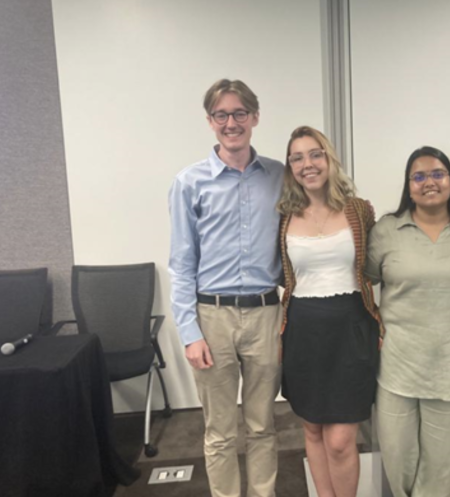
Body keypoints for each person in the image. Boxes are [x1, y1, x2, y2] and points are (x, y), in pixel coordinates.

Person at [168, 79, 284, 497]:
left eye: (239, 113)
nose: (231, 123)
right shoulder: (189, 182)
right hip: (211, 318)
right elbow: (182, 264)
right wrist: (189, 333)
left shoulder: (279, 176)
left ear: (255, 117)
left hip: (266, 314)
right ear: (210, 121)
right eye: (222, 115)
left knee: (262, 425)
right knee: (219, 431)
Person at [366, 146, 450, 497]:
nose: (428, 182)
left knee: (439, 467)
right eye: (418, 176)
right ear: (409, 186)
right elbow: (365, 281)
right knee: (398, 460)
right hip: (398, 365)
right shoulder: (387, 230)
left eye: (437, 174)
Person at [278, 126, 381, 497]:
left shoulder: (359, 210)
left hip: (351, 331)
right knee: (312, 429)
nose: (307, 164)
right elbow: (280, 273)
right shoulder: (284, 216)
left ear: (329, 158)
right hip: (303, 332)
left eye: (315, 154)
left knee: (340, 440)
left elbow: (378, 264)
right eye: (297, 158)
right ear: (290, 167)